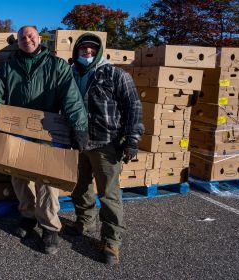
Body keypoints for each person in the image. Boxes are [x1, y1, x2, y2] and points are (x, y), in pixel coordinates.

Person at [0, 25, 88, 254]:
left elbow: (71, 98)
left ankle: (50, 227)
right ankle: (28, 215)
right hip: (17, 133)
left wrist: (79, 127)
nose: (26, 39)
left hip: (47, 135)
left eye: (30, 36)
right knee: (19, 179)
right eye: (22, 37)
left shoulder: (57, 66)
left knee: (47, 183)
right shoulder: (10, 67)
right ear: (17, 42)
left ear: (39, 38)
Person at [64, 33, 143, 265]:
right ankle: (84, 220)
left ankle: (111, 240)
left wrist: (133, 139)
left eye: (91, 49)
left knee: (108, 194)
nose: (87, 53)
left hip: (106, 143)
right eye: (83, 49)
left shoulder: (116, 74)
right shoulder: (70, 74)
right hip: (77, 143)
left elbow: (134, 106)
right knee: (80, 187)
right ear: (76, 51)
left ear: (98, 51)